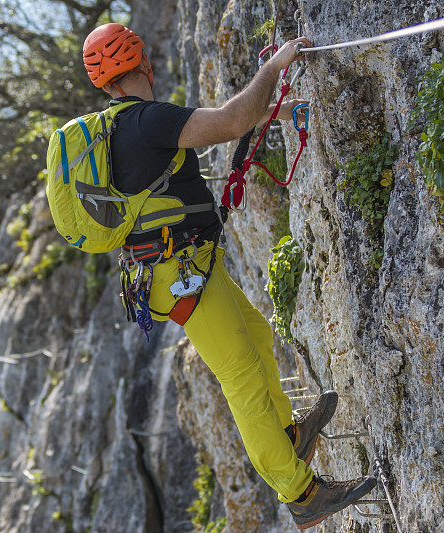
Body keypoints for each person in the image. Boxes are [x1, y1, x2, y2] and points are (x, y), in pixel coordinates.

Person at [81, 23, 376, 529]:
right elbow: (231, 120)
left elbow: (221, 125)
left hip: (180, 268)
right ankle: (300, 492)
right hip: (180, 272)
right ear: (144, 64)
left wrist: (278, 111)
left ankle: (288, 436)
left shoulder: (120, 127)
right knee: (241, 380)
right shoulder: (146, 121)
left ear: (103, 83)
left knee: (258, 339)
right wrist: (275, 65)